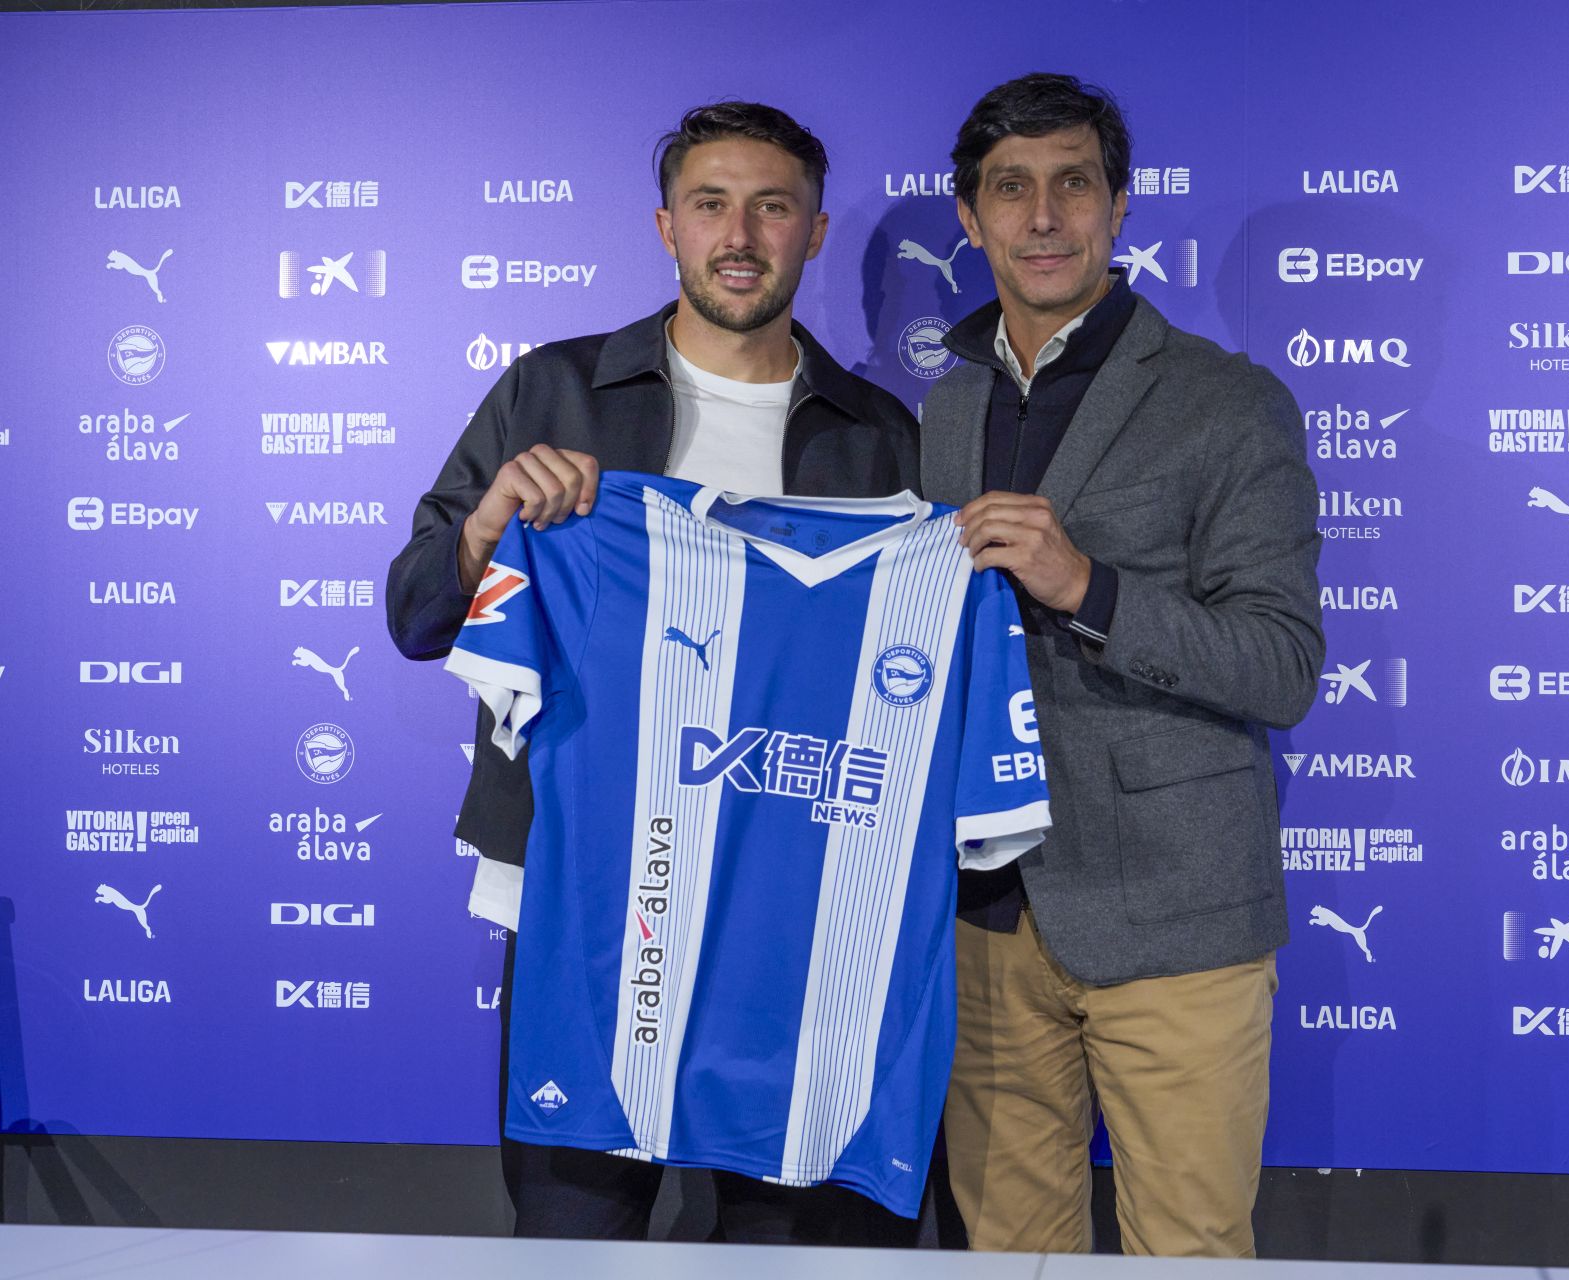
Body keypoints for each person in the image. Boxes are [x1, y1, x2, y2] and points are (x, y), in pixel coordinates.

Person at [386, 101, 918, 1244]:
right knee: (576, 1220)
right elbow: (414, 612)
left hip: (792, 892)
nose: (741, 233)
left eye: (772, 207)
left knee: (791, 1231)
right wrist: (487, 525)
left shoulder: (881, 431)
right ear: (666, 225)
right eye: (712, 204)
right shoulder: (552, 389)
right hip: (588, 880)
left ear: (815, 232)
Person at [920, 73, 1324, 1257]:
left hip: (1175, 917)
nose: (1044, 216)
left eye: (1073, 183)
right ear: (970, 217)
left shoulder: (1229, 402)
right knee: (1011, 1252)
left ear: (1121, 206)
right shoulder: (946, 408)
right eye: (1012, 187)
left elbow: (1283, 664)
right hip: (985, 915)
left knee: (1187, 1250)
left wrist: (1088, 586)